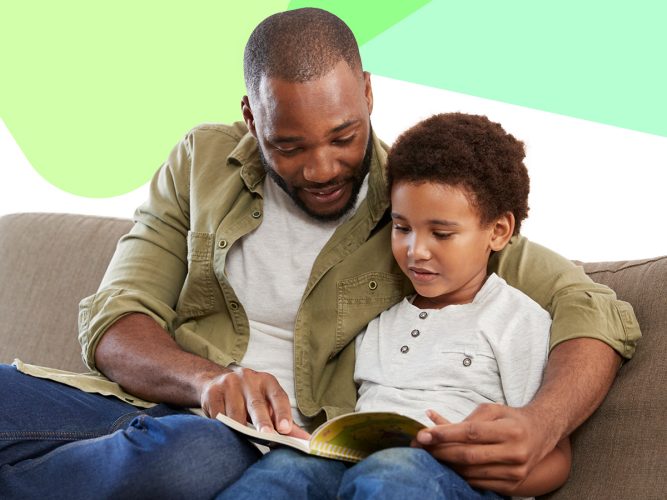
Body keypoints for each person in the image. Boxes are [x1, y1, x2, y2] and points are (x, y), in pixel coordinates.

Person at [0, 7, 639, 499]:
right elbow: (117, 319)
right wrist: (210, 382)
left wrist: (543, 424)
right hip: (150, 404)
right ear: (251, 117)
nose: (322, 168)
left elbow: (591, 306)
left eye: (343, 137)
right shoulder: (202, 162)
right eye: (289, 146)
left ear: (367, 93)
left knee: (188, 458)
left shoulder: (419, 202)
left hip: (241, 446)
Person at [219, 112, 571, 499]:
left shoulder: (516, 319)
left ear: (498, 231)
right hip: (357, 467)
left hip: (450, 481)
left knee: (394, 471)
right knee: (283, 469)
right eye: (402, 228)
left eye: (441, 233)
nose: (415, 250)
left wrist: (484, 469)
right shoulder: (380, 318)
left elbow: (555, 459)